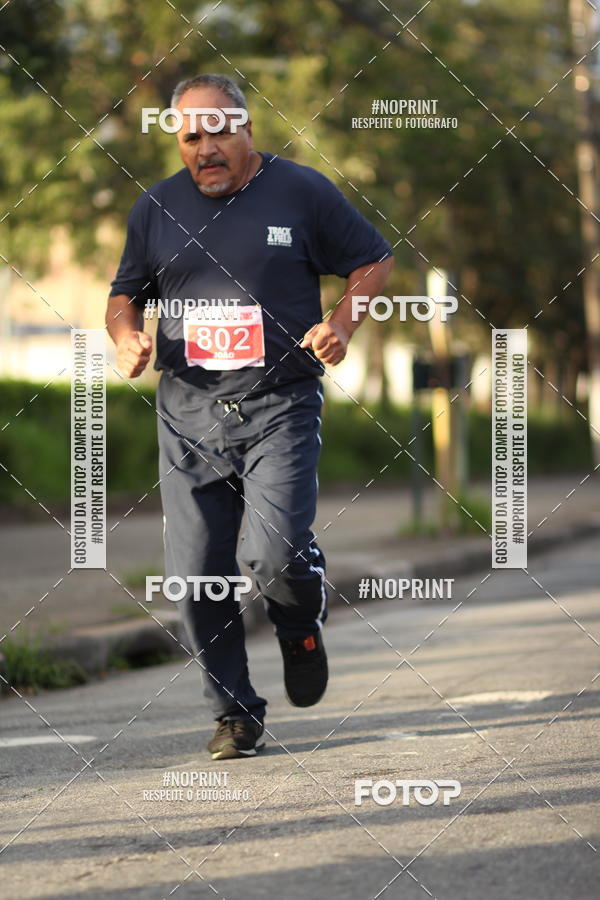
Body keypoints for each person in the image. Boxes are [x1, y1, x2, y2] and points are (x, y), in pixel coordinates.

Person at [106, 73, 393, 760]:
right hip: (188, 414)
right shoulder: (155, 207)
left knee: (272, 556)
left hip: (279, 405)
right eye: (189, 138)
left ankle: (299, 620)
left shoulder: (302, 192)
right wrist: (126, 336)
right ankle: (234, 713)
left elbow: (373, 260)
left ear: (246, 128)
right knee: (200, 570)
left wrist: (344, 324)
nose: (204, 149)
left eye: (217, 132)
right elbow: (123, 296)